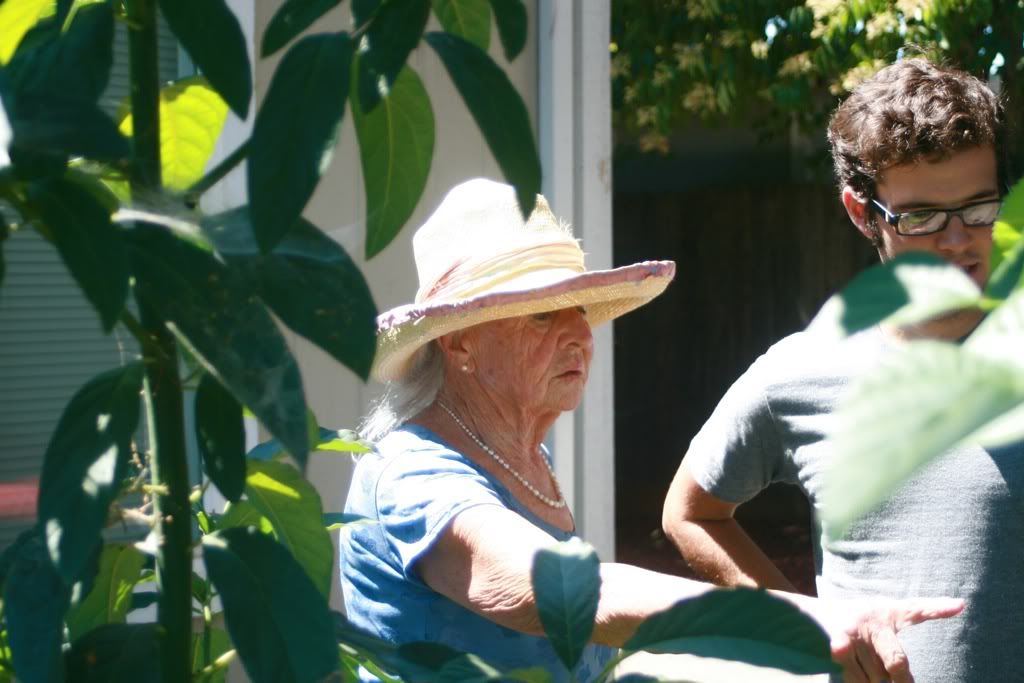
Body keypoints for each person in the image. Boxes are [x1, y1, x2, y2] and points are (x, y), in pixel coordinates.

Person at [339, 177, 962, 683]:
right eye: (541, 313)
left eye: (580, 307)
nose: (580, 333)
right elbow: (550, 590)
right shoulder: (412, 469)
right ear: (459, 343)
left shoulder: (523, 455)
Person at [662, 58, 1022, 682]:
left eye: (979, 208)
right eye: (922, 218)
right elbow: (689, 514)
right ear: (862, 213)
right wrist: (802, 629)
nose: (959, 240)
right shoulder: (797, 375)